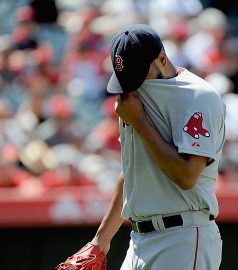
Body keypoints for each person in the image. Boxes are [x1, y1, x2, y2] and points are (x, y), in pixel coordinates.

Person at [90, 24, 226, 269]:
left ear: (162, 58)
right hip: (138, 240)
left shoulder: (198, 96)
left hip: (183, 238)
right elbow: (132, 173)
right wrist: (101, 240)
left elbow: (187, 176)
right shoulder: (135, 97)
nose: (131, 84)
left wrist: (140, 122)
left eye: (138, 74)